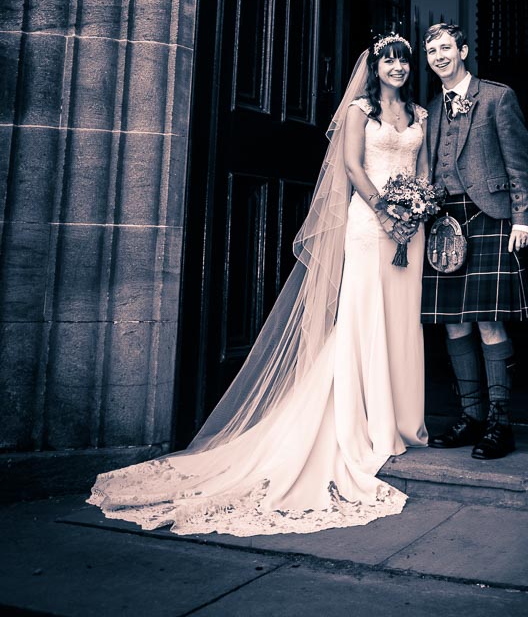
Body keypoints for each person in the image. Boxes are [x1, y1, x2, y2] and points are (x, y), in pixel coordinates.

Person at [89, 34, 429, 536]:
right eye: (388, 59)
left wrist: (415, 209)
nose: (397, 67)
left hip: (410, 230)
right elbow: (353, 166)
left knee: (403, 320)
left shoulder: (420, 114)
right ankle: (368, 421)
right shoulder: (360, 110)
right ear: (374, 66)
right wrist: (383, 208)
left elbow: (419, 169)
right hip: (369, 223)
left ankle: (403, 419)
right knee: (364, 315)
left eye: (403, 60)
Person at [422, 22, 528, 460]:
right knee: (454, 322)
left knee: (489, 320)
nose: (439, 56)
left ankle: (499, 423)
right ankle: (470, 417)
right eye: (432, 51)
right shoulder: (431, 109)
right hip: (444, 224)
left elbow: (518, 161)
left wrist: (522, 218)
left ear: (463, 50)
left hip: (490, 218)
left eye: (446, 48)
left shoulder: (496, 96)